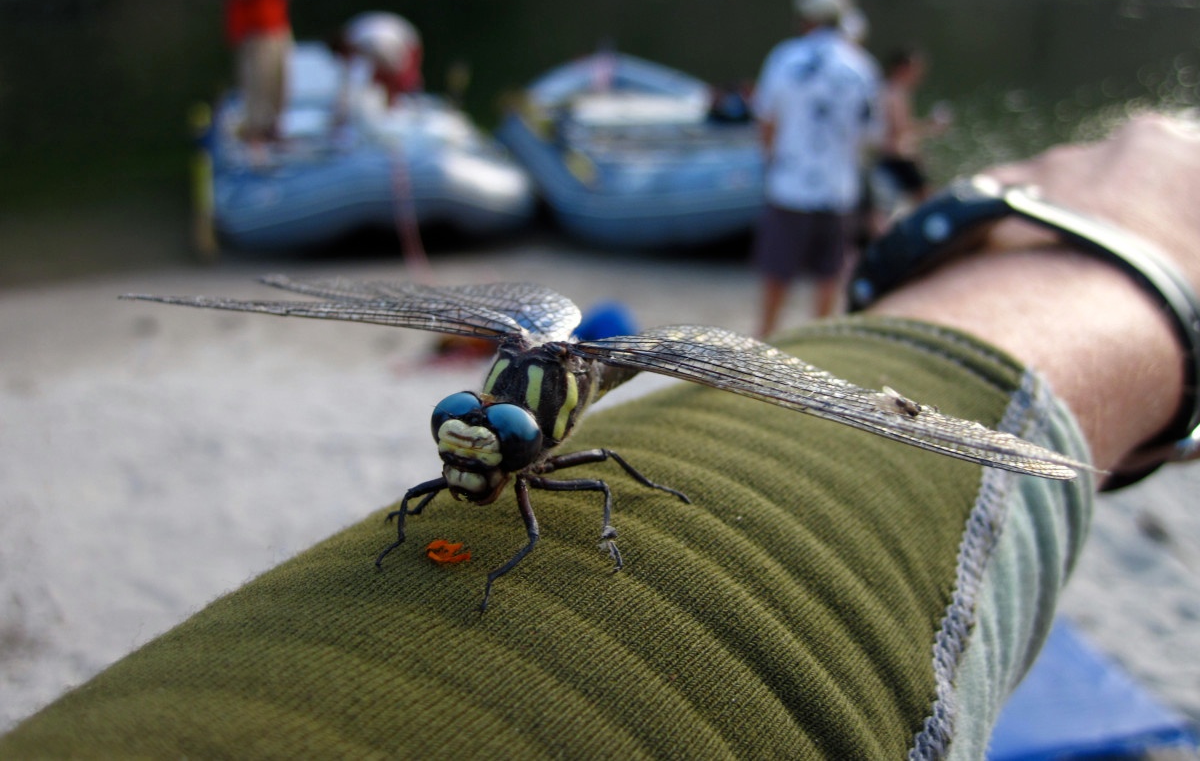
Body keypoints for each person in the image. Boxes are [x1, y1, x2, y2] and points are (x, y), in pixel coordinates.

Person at [3, 116, 1196, 758]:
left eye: (484, 439)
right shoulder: (482, 425)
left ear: (535, 437)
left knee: (612, 479)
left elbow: (595, 475)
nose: (468, 452)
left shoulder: (556, 447)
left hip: (639, 364)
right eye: (467, 434)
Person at [751, 0, 882, 335]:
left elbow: (766, 123)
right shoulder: (862, 67)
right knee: (829, 276)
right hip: (838, 190)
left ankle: (764, 343)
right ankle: (816, 349)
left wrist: (771, 164)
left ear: (807, 19)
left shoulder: (785, 57)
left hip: (789, 185)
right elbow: (871, 135)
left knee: (777, 274)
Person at [220, 0, 294, 147]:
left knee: (279, 82)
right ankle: (254, 133)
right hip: (253, 30)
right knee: (256, 85)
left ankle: (274, 129)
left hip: (278, 26)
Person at [876, 47, 952, 207]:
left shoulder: (896, 91)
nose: (920, 74)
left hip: (899, 158)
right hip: (896, 159)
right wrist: (931, 125)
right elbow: (899, 129)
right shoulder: (893, 91)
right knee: (928, 203)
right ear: (903, 67)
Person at [330, 12, 424, 115]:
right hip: (398, 36)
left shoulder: (363, 41)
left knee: (400, 78)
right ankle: (391, 109)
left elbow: (392, 66)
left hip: (405, 41)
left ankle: (412, 109)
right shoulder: (355, 34)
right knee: (383, 77)